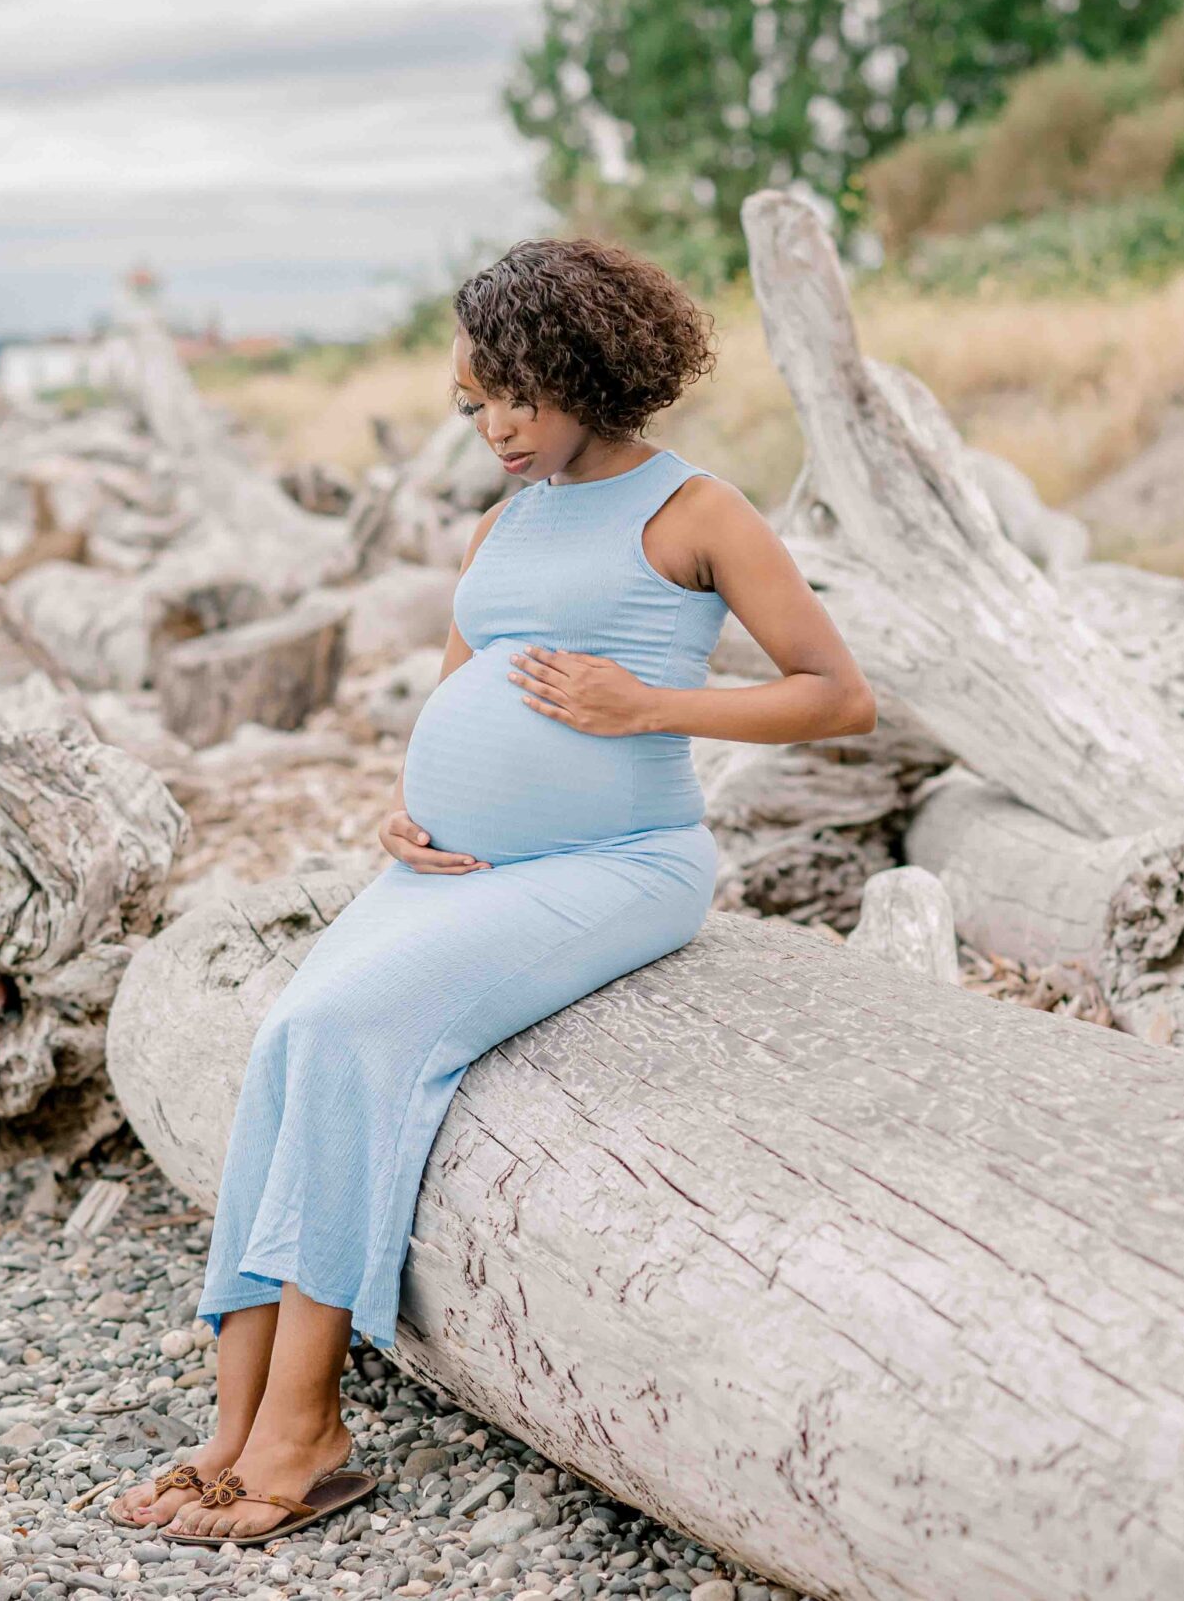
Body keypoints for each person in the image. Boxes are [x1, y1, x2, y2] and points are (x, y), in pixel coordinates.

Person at [111, 237, 876, 1546]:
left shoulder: (695, 512)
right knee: (292, 1032)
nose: (494, 426)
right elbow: (465, 682)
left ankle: (311, 1425)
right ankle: (231, 1423)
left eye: (515, 393)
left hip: (619, 865)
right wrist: (416, 806)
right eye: (473, 405)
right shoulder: (496, 524)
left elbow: (837, 694)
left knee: (355, 1032)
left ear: (585, 364)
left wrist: (651, 703)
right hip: (455, 867)